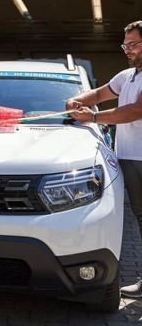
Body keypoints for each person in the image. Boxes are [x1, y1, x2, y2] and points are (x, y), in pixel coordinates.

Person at [65, 20, 142, 299]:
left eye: (133, 44)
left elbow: (135, 110)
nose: (128, 50)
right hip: (128, 157)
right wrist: (76, 99)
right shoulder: (127, 76)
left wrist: (94, 116)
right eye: (126, 45)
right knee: (139, 218)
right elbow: (100, 94)